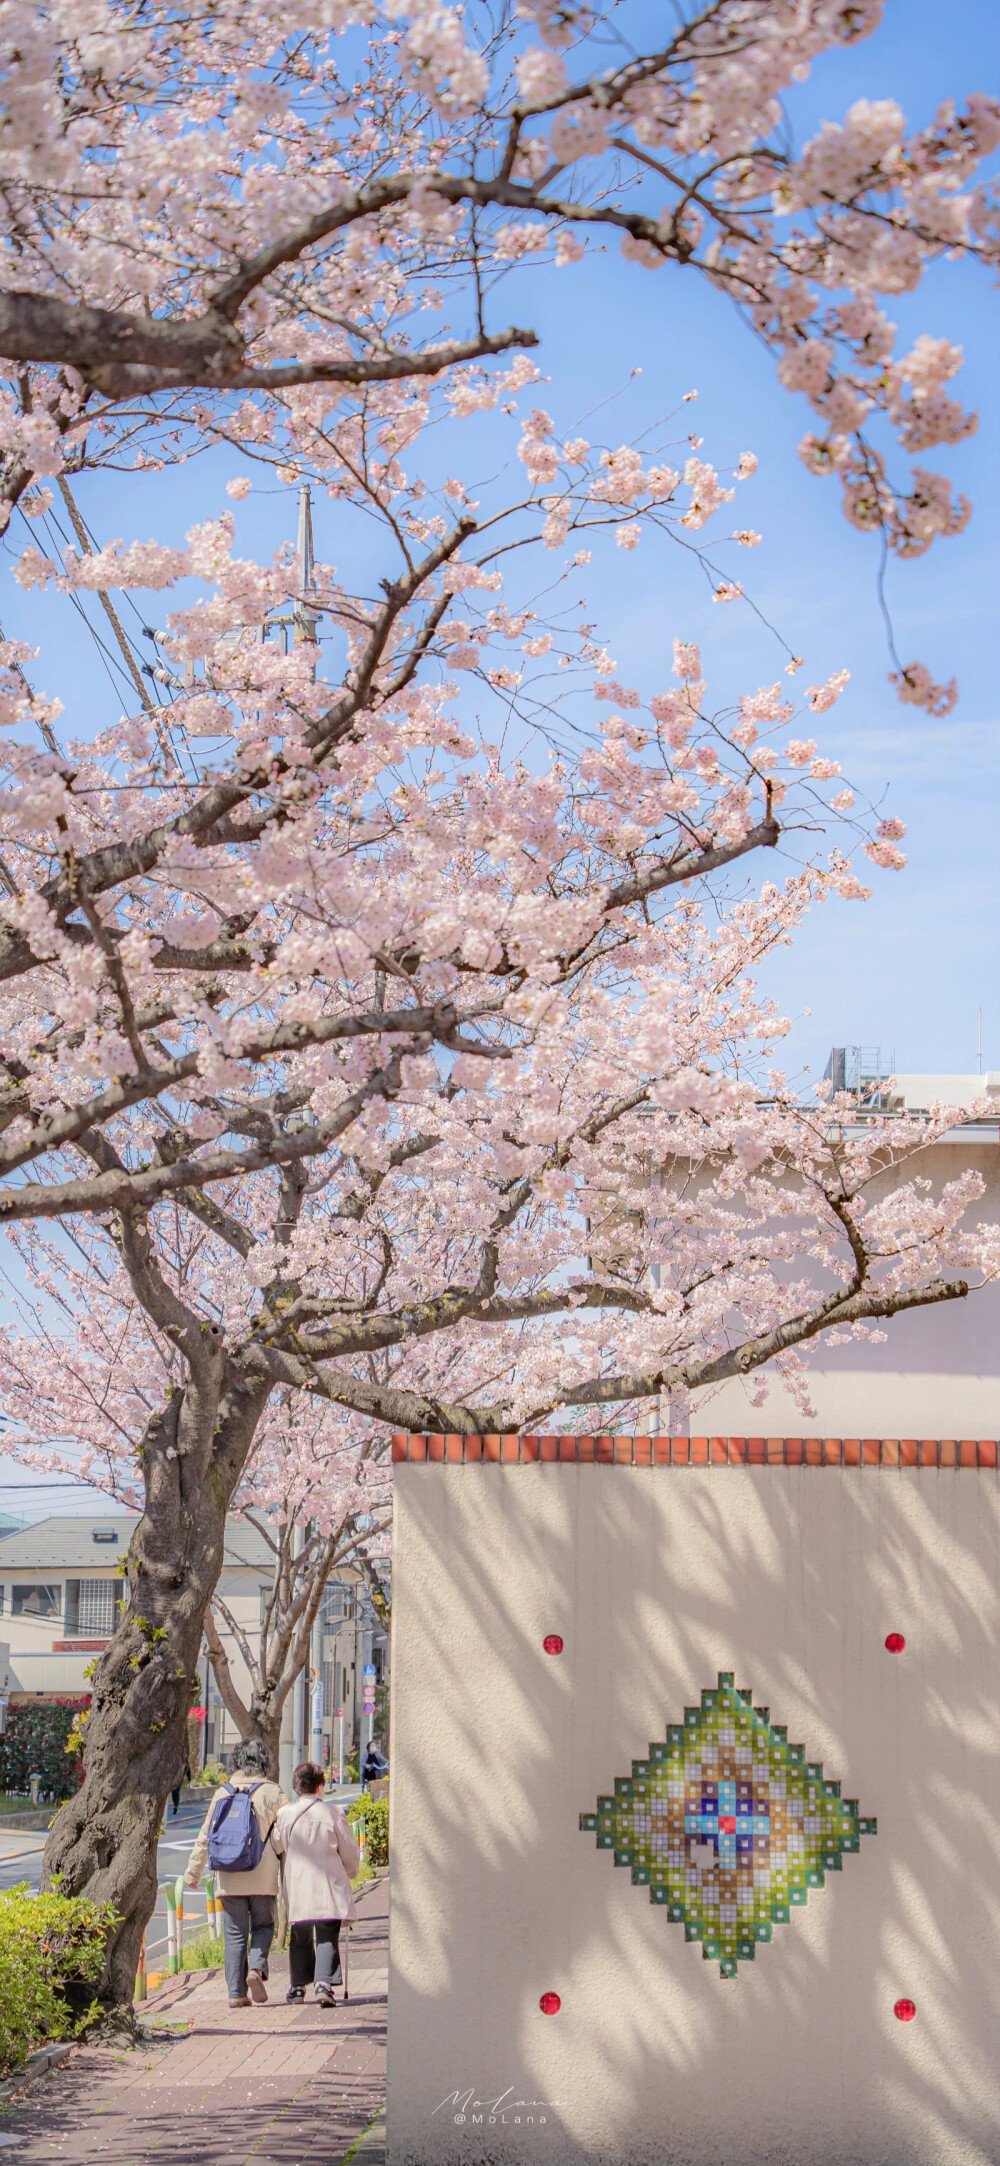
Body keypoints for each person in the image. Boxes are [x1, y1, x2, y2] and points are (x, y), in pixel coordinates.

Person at [185, 1739, 286, 2010]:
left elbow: (206, 1836)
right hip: (262, 1874)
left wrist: (192, 1872)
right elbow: (285, 1836)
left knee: (235, 1934)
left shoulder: (222, 1793)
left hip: (228, 1875)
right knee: (264, 1925)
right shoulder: (273, 1792)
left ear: (237, 1761)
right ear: (263, 1760)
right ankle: (256, 1969)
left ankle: (236, 1994)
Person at [271, 1760, 360, 2007]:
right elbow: (349, 1852)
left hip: (298, 1886)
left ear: (296, 1787)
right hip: (328, 1884)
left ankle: (298, 1988)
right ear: (320, 1786)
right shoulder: (333, 1813)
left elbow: (277, 1845)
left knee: (299, 1935)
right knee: (326, 1934)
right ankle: (323, 1984)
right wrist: (352, 1872)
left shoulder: (285, 1814)